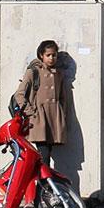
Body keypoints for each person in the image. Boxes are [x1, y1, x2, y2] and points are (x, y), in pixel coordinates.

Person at [12, 40, 72, 168]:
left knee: (47, 154)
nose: (51, 58)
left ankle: (43, 179)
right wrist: (31, 113)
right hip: (39, 119)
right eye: (48, 55)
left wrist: (62, 114)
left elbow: (62, 98)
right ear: (41, 55)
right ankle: (43, 180)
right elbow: (19, 94)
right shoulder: (33, 72)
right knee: (44, 154)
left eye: (54, 55)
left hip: (54, 119)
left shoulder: (58, 74)